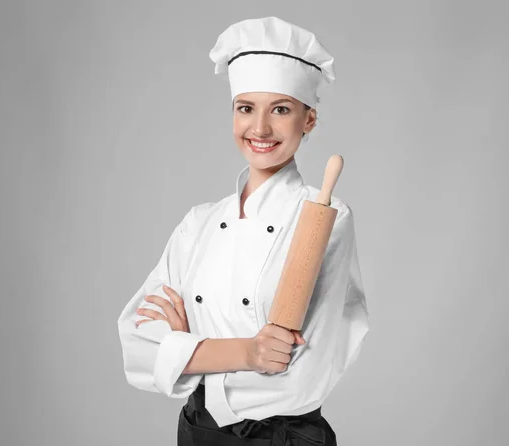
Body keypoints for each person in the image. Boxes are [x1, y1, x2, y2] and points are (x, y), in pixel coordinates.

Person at [117, 16, 370, 445]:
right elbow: (140, 345)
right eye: (246, 108)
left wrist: (189, 346)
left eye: (282, 109)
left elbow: (299, 372)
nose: (260, 128)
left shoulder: (325, 217)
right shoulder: (198, 223)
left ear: (309, 121)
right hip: (197, 431)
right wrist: (247, 351)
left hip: (282, 437)